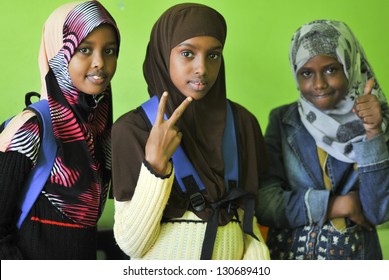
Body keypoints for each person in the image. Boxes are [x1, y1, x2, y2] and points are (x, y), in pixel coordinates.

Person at [111, 3, 270, 260]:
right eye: (187, 54)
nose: (202, 69)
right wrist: (155, 165)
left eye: (214, 55)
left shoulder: (243, 122)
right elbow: (132, 245)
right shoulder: (132, 129)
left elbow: (246, 221)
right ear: (163, 55)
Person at [256, 19, 389, 260]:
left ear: (350, 65)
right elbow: (266, 204)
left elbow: (379, 212)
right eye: (306, 73)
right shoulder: (283, 121)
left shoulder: (379, 123)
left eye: (331, 69)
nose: (318, 84)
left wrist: (372, 133)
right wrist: (337, 205)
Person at [0, 0, 120, 259]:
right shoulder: (32, 128)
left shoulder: (99, 129)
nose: (100, 62)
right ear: (58, 53)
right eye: (85, 49)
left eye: (109, 51)